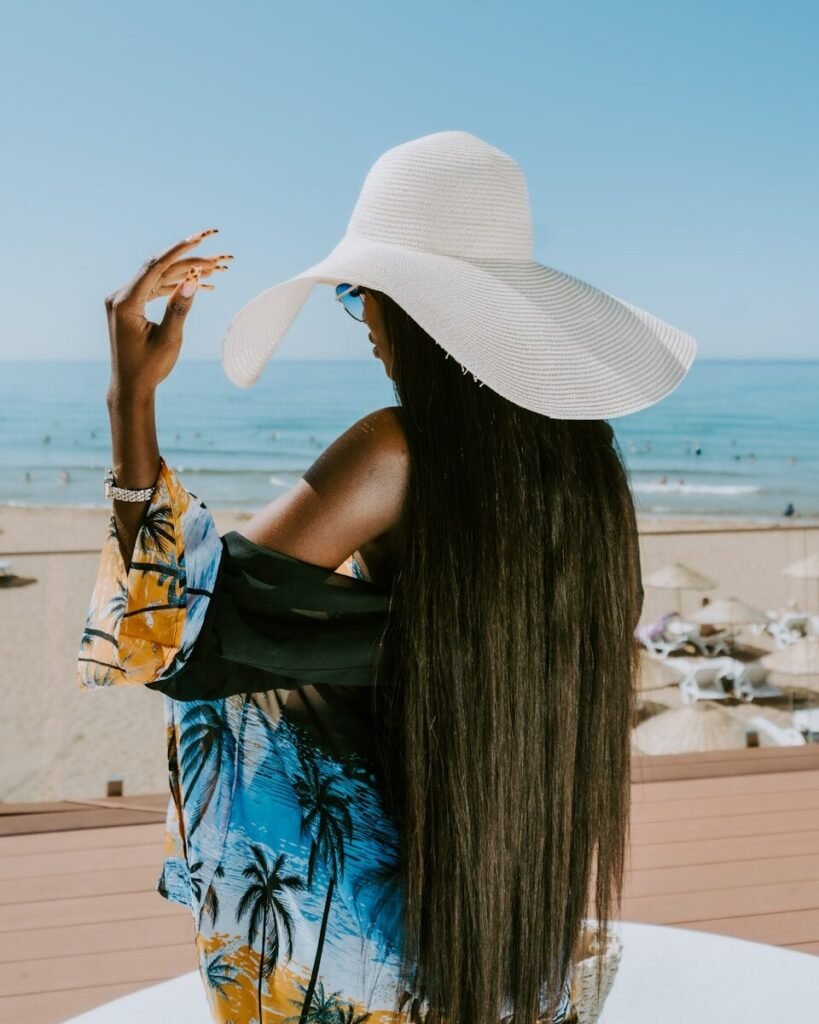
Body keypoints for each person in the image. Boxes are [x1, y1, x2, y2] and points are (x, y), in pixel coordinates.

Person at [77, 131, 696, 1024]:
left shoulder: (399, 450)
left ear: (413, 303)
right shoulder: (587, 466)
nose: (360, 313)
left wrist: (128, 400)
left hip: (368, 935)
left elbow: (176, 627)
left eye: (357, 289)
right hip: (506, 908)